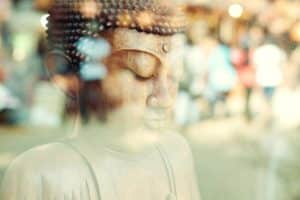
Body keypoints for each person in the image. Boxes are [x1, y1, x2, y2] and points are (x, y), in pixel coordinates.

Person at [0, 0, 201, 200]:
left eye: (174, 75)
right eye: (141, 72)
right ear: (67, 75)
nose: (164, 98)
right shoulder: (40, 175)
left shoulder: (175, 154)